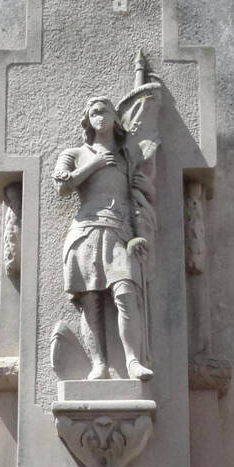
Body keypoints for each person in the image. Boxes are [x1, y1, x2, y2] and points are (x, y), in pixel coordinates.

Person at [53, 96, 154, 380]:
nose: (100, 116)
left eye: (105, 110)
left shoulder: (127, 158)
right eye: (94, 112)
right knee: (91, 300)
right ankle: (99, 364)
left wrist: (138, 235)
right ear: (88, 120)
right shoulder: (73, 153)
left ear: (114, 118)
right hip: (84, 232)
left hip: (119, 232)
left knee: (125, 292)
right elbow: (62, 186)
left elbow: (136, 198)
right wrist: (95, 163)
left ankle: (132, 360)